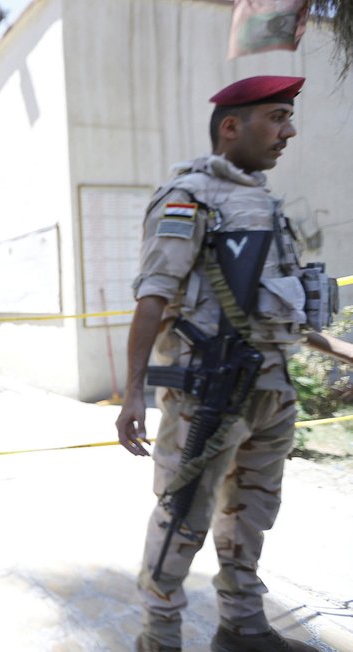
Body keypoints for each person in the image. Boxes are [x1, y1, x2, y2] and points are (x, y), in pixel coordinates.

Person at [116, 76, 353, 652]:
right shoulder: (189, 197)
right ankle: (159, 638)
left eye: (288, 117)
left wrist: (342, 349)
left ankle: (242, 627)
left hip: (272, 391)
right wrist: (132, 394)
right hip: (209, 391)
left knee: (251, 515)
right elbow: (152, 298)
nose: (289, 131)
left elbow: (278, 310)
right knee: (182, 519)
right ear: (232, 126)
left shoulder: (266, 205)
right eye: (276, 117)